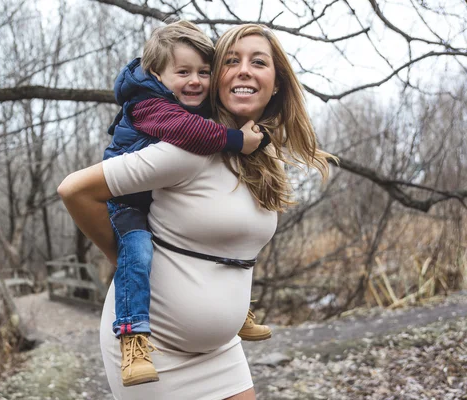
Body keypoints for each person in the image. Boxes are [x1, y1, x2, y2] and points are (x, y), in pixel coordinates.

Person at [58, 23, 332, 400]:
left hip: (221, 350)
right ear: (220, 78)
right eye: (232, 61)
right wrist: (123, 255)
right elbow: (74, 191)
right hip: (157, 352)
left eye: (259, 62)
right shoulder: (189, 148)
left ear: (278, 81)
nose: (245, 70)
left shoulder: (260, 153)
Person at [102, 20, 270, 387]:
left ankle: (238, 313)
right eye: (183, 72)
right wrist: (236, 140)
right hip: (129, 203)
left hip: (220, 351)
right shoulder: (151, 107)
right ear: (157, 75)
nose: (195, 81)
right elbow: (189, 133)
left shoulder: (188, 106)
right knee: (138, 249)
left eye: (204, 72)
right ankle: (132, 335)